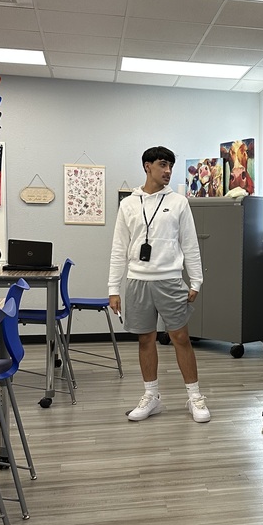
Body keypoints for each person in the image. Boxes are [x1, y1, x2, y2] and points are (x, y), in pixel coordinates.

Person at [108, 146, 210, 423]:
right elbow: (119, 248)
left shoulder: (179, 202)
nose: (167, 171)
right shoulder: (129, 204)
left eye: (171, 167)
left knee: (181, 339)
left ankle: (195, 397)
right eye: (163, 165)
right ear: (147, 166)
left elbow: (190, 244)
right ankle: (151, 397)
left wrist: (197, 280)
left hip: (170, 280)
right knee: (145, 339)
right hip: (138, 281)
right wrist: (113, 289)